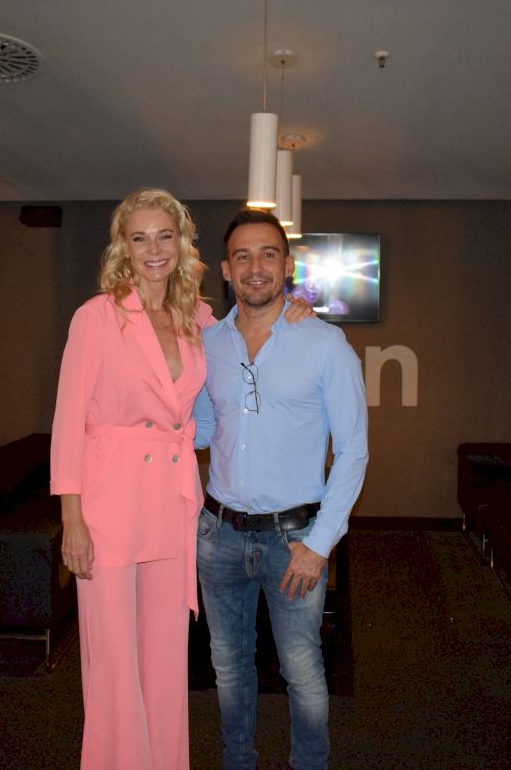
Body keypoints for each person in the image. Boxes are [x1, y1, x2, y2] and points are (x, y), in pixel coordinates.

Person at [50, 190, 312, 770]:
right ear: (123, 247)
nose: (154, 249)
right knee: (115, 660)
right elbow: (67, 423)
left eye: (165, 236)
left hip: (172, 502)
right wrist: (72, 519)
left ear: (182, 243)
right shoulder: (97, 317)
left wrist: (296, 314)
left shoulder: (198, 318)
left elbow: (249, 339)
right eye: (139, 237)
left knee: (166, 656)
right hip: (109, 503)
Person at [193, 208, 369, 770]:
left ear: (287, 265)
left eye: (268, 254)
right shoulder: (207, 344)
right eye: (242, 256)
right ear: (226, 270)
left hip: (294, 540)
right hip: (219, 535)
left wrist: (319, 545)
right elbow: (200, 429)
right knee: (229, 667)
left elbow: (353, 451)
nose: (256, 267)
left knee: (302, 669)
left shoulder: (325, 345)